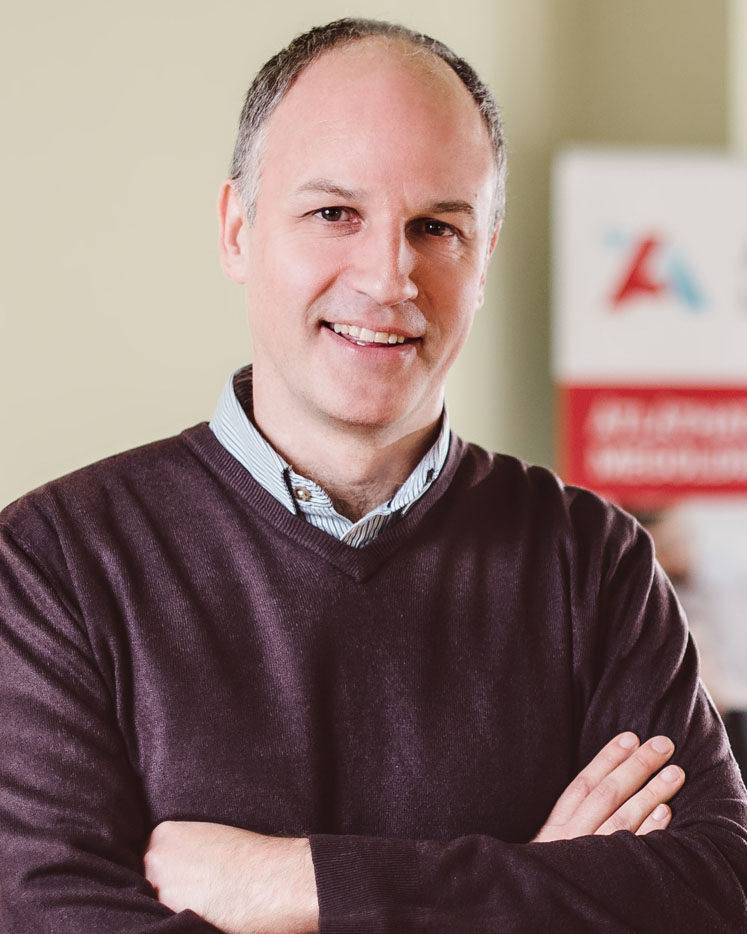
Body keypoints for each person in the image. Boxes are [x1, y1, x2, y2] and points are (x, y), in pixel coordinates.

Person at [1, 17, 746, 933]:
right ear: (237, 231)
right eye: (333, 215)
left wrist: (292, 884)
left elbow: (712, 891)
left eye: (436, 227)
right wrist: (532, 890)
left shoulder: (591, 562)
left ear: (483, 260)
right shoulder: (53, 567)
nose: (390, 276)